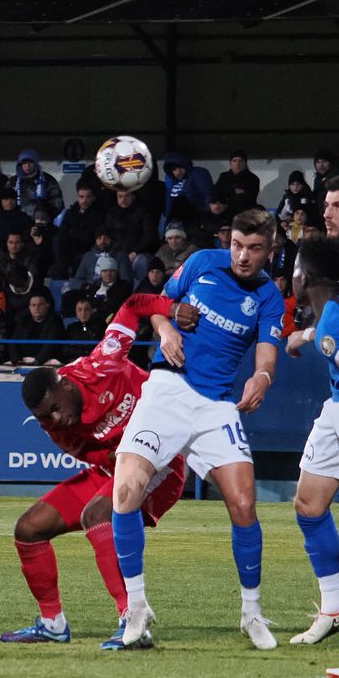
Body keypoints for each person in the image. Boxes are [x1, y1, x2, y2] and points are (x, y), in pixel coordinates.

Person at [110, 208, 285, 650]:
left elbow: (267, 353)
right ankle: (136, 610)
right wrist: (166, 328)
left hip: (216, 407)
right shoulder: (204, 262)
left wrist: (261, 378)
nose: (243, 257)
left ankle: (252, 613)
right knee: (126, 490)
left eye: (254, 249)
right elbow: (155, 307)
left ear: (270, 249)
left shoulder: (268, 298)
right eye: (238, 246)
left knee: (244, 504)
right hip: (167, 389)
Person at [2, 294, 196, 648]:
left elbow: (134, 304)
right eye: (45, 417)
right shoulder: (54, 426)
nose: (54, 420)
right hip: (115, 468)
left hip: (160, 463)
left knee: (98, 512)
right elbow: (99, 457)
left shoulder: (102, 361)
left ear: (64, 383)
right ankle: (52, 623)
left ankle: (132, 620)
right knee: (28, 529)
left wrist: (168, 316)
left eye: (55, 410)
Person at [281, 238, 339, 664]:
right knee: (309, 504)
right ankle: (335, 607)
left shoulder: (333, 324)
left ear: (303, 278)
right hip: (337, 407)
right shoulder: (337, 312)